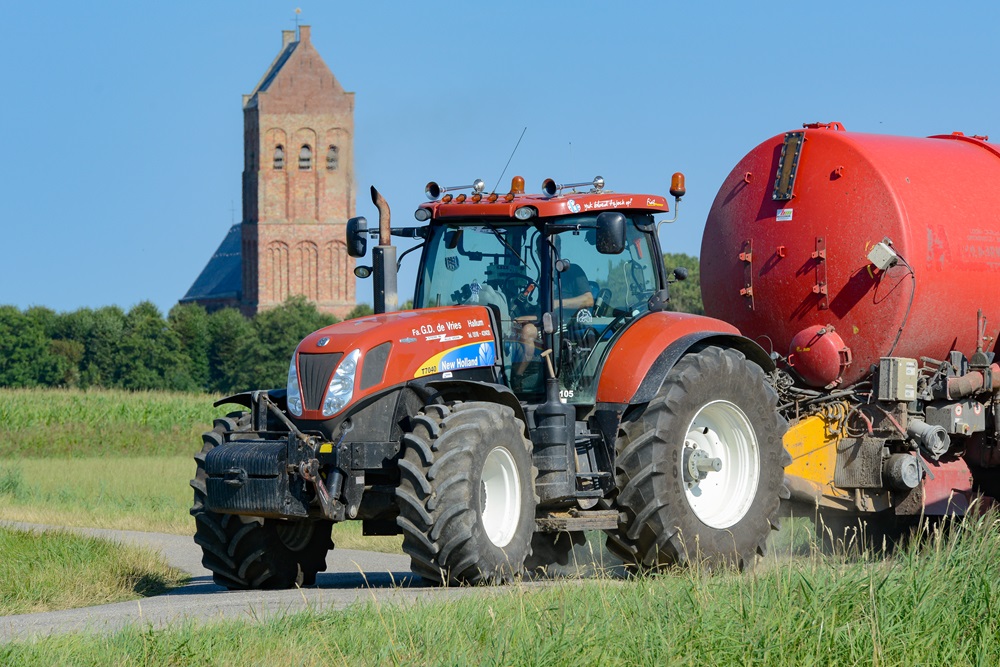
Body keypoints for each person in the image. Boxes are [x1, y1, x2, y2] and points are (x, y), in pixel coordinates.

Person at [513, 233, 594, 380]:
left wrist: (557, 304)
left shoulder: (573, 271)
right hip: (546, 321)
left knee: (528, 331)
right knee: (514, 329)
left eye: (547, 249)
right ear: (537, 252)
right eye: (540, 250)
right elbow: (543, 310)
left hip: (567, 324)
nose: (543, 254)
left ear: (558, 248)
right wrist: (526, 317)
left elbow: (588, 300)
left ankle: (517, 378)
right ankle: (522, 377)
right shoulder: (544, 277)